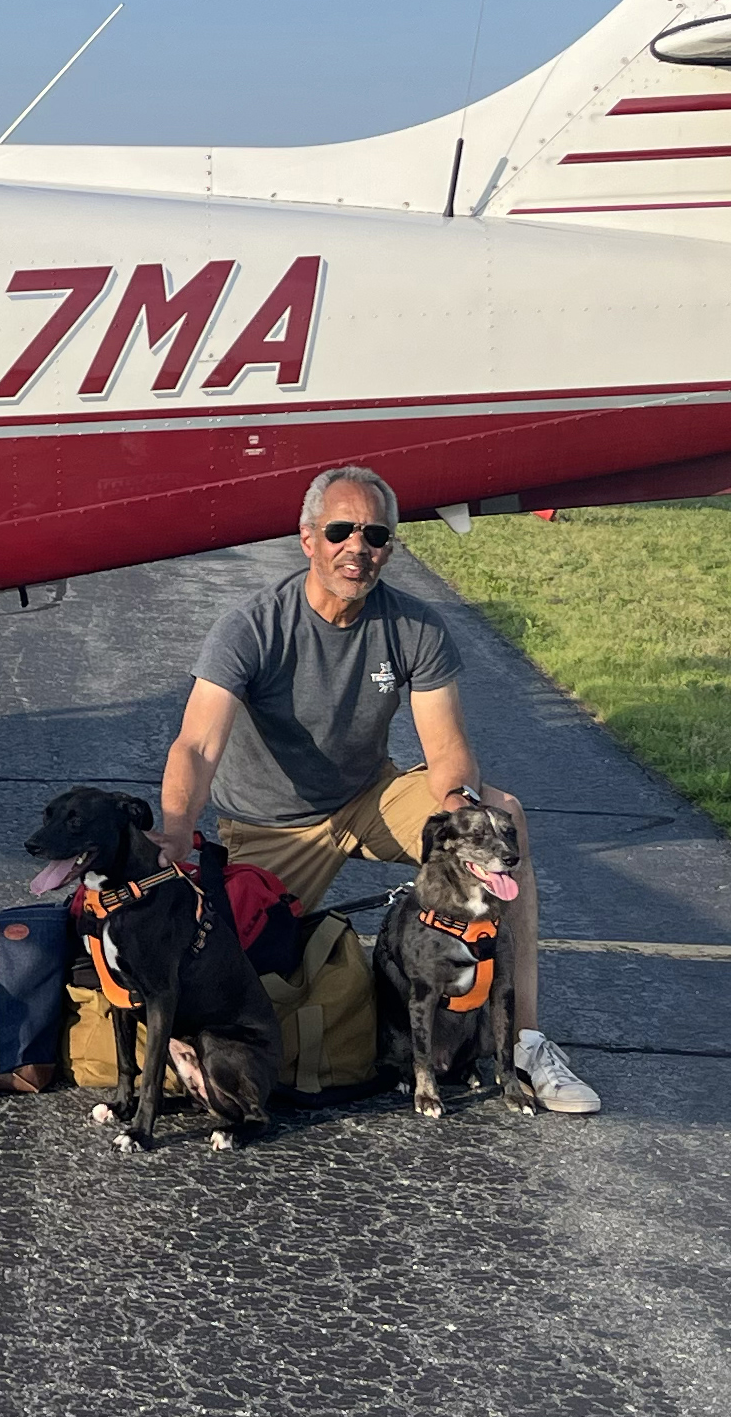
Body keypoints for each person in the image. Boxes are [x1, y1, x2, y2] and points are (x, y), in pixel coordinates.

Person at [155, 464, 602, 1115]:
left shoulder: (415, 627)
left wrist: (463, 822)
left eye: (375, 534)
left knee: (503, 815)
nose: (357, 547)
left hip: (370, 802)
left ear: (390, 546)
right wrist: (173, 830)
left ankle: (525, 1040)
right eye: (340, 530)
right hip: (268, 826)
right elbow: (196, 746)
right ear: (308, 538)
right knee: (235, 978)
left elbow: (447, 753)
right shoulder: (251, 627)